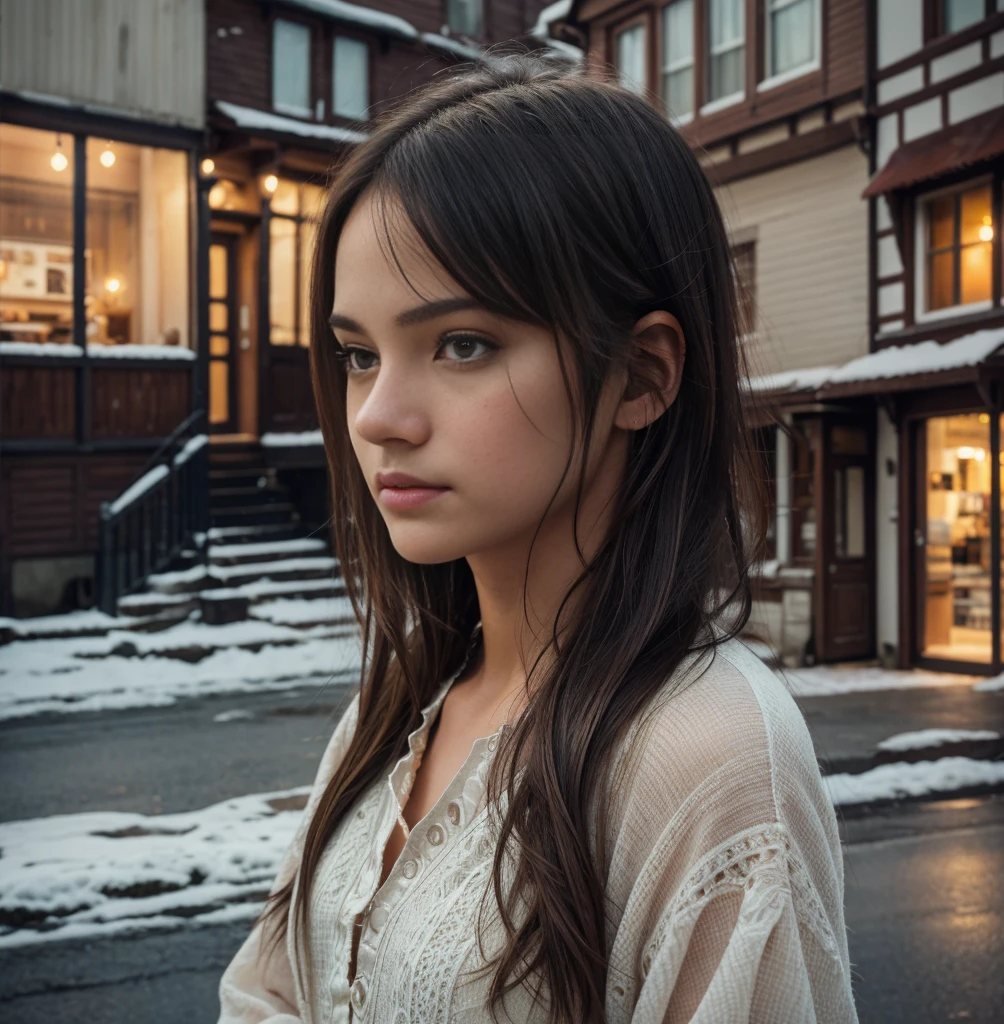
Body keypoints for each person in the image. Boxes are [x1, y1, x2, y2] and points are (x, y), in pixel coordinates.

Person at [217, 52, 857, 1024]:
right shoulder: (400, 708)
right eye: (357, 354)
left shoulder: (707, 755)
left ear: (641, 375)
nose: (376, 415)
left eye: (461, 343)